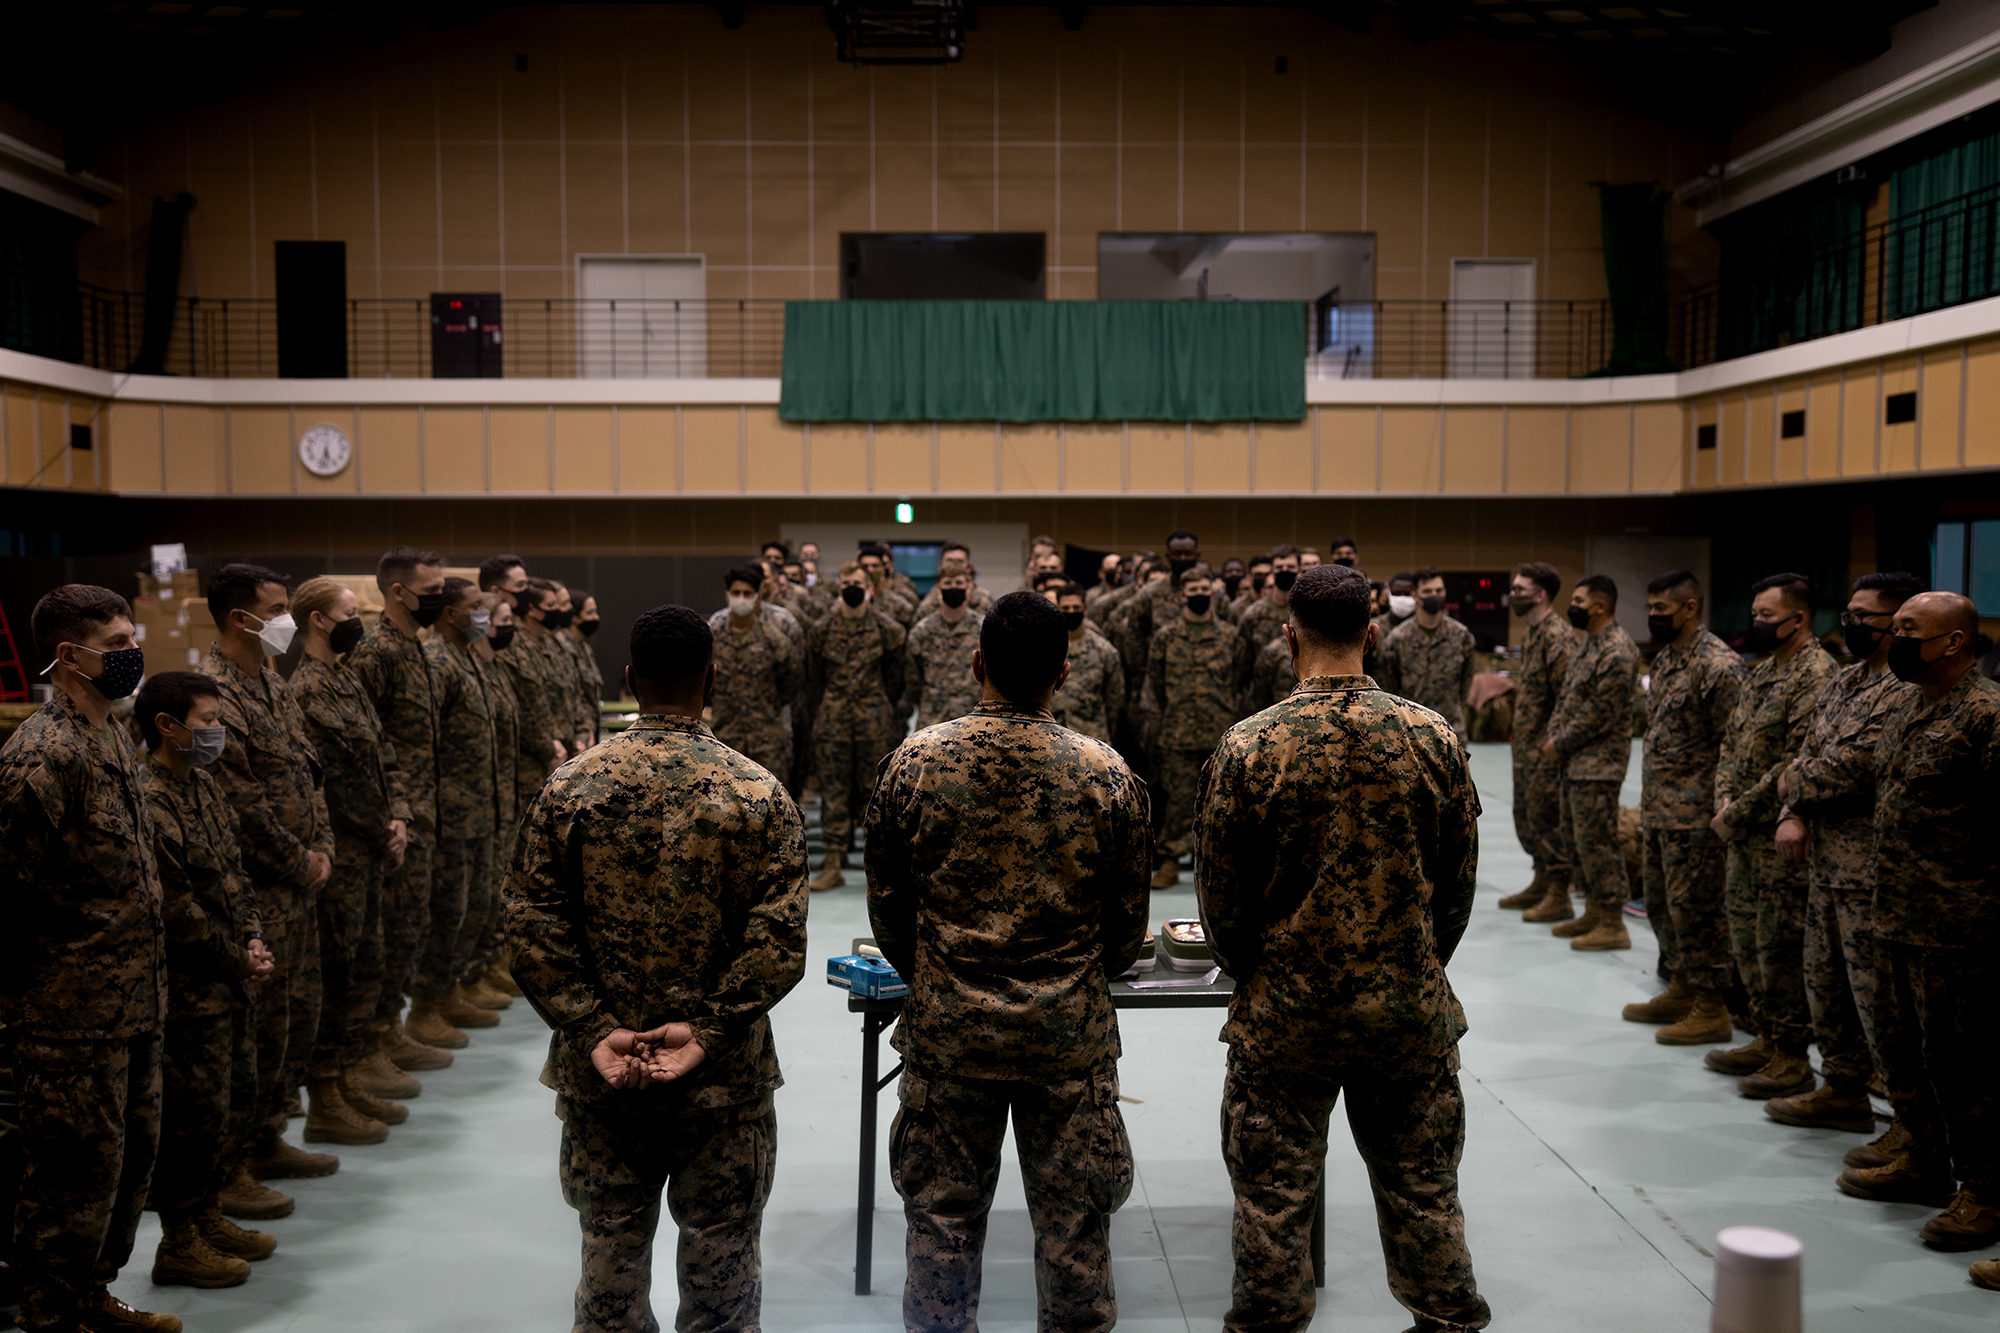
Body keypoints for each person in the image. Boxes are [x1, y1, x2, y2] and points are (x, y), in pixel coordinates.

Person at [1198, 563, 1488, 1333]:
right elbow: (1456, 890)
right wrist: (1411, 961)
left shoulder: (1249, 746)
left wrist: (1260, 971)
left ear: (1288, 635)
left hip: (1285, 1019)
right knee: (1425, 1193)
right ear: (1373, 630)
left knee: (1271, 1202)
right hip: (1406, 1011)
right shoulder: (1433, 737)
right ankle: (1447, 1319)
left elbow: (1221, 907)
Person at [504, 604, 809, 1333]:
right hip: (721, 1080)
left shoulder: (571, 785)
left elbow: (529, 927)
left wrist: (593, 1025)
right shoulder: (758, 792)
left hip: (605, 1078)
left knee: (608, 1262)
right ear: (713, 677)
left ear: (632, 678)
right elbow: (778, 940)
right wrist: (706, 1030)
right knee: (723, 1271)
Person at [866, 591, 1149, 1333]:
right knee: (1076, 1233)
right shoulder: (1107, 774)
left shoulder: (915, 764)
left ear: (975, 660)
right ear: (1063, 671)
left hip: (950, 1035)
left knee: (941, 1229)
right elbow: (1126, 930)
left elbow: (890, 914)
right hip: (1069, 1041)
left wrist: (942, 975)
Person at [0, 585, 177, 1333]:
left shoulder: (111, 734)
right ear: (71, 655)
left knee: (127, 1167)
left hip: (134, 1002)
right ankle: (51, 1310)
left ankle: (90, 1296)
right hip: (67, 1020)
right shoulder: (41, 756)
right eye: (117, 640)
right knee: (72, 1175)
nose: (132, 653)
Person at [1831, 593, 2000, 1264]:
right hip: (1895, 914)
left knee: (1965, 1065)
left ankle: (1984, 1189)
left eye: (1907, 630)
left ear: (1955, 642)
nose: (1892, 639)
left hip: (1960, 927)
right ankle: (1922, 1158)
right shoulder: (1908, 704)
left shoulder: (1986, 716)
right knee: (1901, 1052)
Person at [1765, 572, 1921, 1134]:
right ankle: (1842, 1090)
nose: (1851, 624)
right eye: (1849, 612)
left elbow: (1852, 768)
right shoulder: (1847, 681)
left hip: (1871, 872)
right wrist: (1793, 810)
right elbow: (1809, 752)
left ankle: (1911, 1128)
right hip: (1824, 864)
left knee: (1878, 1005)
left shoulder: (1905, 689)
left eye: (1866, 616)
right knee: (1825, 989)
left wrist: (1794, 786)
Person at [134, 672, 276, 1289]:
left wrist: (251, 935)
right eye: (208, 719)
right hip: (191, 989)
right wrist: (233, 954)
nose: (218, 730)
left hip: (229, 977)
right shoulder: (151, 798)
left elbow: (236, 872)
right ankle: (179, 1240)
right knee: (190, 1117)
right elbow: (176, 905)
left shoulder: (204, 786)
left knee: (228, 1103)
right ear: (168, 726)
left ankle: (208, 1212)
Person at [198, 565, 339, 1184]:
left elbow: (309, 774)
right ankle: (232, 1167)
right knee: (255, 1032)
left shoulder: (272, 683)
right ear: (240, 617)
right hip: (259, 890)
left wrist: (324, 844)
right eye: (278, 607)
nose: (287, 619)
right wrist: (299, 859)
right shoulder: (213, 693)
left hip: (300, 885)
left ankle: (268, 1135)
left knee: (295, 1019)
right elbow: (240, 803)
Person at [288, 577, 416, 1131]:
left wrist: (399, 816)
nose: (356, 618)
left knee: (369, 963)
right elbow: (334, 781)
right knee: (339, 974)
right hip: (343, 850)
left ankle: (350, 1074)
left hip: (372, 845)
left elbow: (382, 752)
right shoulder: (306, 689)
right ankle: (326, 1095)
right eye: (348, 610)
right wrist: (378, 826)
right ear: (319, 619)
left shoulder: (345, 679)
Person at [1706, 573, 1837, 1098]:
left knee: (1779, 947)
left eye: (1765, 616)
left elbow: (1796, 761)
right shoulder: (1762, 674)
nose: (1755, 623)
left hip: (1776, 834)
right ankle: (1766, 1036)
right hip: (1741, 831)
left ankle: (1791, 1055)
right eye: (1754, 614)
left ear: (1798, 619)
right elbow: (1731, 745)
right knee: (1748, 942)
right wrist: (1723, 798)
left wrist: (1738, 813)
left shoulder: (1816, 675)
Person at [1617, 571, 1742, 1042]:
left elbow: (1735, 740)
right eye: (1650, 608)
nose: (1652, 617)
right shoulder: (1668, 659)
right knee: (1664, 907)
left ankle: (1712, 1006)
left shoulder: (1718, 665)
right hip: (1658, 809)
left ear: (1691, 609)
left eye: (1661, 610)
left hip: (1696, 816)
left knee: (1698, 911)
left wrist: (1722, 805)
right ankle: (1684, 987)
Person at [346, 547, 450, 1069]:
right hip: (392, 819)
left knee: (411, 929)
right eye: (431, 592)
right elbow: (362, 743)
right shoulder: (375, 652)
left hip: (423, 813)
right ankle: (373, 1043)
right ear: (397, 592)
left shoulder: (419, 648)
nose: (440, 600)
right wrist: (390, 814)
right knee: (388, 935)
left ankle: (390, 1029)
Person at [413, 578, 504, 1048]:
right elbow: (424, 741)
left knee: (472, 905)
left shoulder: (469, 656)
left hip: (478, 805)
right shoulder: (437, 660)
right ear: (451, 613)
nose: (482, 616)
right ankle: (427, 1004)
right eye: (474, 608)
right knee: (447, 911)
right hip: (450, 810)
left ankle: (453, 987)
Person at [1539, 575, 1642, 950]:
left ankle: (1613, 922)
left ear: (1600, 606)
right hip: (1575, 762)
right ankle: (1595, 913)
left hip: (1599, 765)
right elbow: (1567, 701)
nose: (1574, 605)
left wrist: (1559, 743)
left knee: (1599, 842)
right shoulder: (1589, 645)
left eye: (1580, 600)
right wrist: (1555, 737)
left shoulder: (1617, 650)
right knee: (1578, 840)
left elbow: (1601, 712)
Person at [804, 561, 907, 890]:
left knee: (873, 795)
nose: (851, 587)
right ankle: (832, 864)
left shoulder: (888, 629)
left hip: (874, 723)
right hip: (833, 722)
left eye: (858, 582)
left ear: (870, 588)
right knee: (833, 795)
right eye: (846, 581)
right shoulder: (821, 630)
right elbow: (815, 680)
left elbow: (895, 679)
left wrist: (877, 703)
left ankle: (876, 867)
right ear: (838, 586)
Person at [1146, 563, 1239, 888]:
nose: (1199, 595)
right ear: (1182, 595)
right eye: (1193, 591)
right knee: (1178, 800)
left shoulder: (1230, 636)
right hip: (1178, 732)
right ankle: (1170, 862)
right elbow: (1155, 686)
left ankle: (1218, 866)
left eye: (1204, 590)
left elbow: (1239, 681)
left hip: (1219, 733)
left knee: (1221, 802)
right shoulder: (1166, 637)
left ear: (1212, 592)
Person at [1499, 563, 1581, 919]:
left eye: (1520, 589)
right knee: (1527, 818)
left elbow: (1569, 696)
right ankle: (1542, 880)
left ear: (1540, 594)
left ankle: (1560, 893)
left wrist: (1555, 744)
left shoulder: (1557, 636)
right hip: (1526, 748)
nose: (1513, 594)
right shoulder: (1533, 633)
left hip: (1546, 749)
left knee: (1547, 820)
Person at [467, 589, 526, 1005]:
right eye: (499, 617)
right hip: (467, 803)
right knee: (468, 898)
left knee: (493, 888)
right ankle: (463, 981)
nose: (507, 626)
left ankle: (486, 965)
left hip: (498, 794)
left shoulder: (495, 667)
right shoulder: (465, 665)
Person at [707, 562, 806, 785]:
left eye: (747, 593)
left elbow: (793, 677)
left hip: (767, 736)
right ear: (727, 595)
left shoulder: (774, 636)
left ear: (758, 595)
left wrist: (771, 704)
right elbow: (704, 680)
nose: (741, 598)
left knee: (772, 801)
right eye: (736, 593)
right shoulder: (713, 632)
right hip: (727, 735)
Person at [1376, 566, 1477, 739]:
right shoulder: (1397, 639)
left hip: (1451, 731)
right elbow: (1389, 689)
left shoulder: (1462, 636)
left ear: (1445, 592)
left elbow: (1465, 684)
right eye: (1427, 591)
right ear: (1415, 595)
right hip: (1411, 733)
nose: (1434, 595)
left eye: (1439, 590)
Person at [904, 557, 985, 730]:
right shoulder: (922, 632)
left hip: (973, 720)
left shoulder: (983, 630)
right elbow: (912, 680)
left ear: (969, 588)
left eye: (959, 583)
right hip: (933, 720)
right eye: (948, 583)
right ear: (938, 589)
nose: (953, 587)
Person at [1049, 581, 1124, 743]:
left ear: (1085, 609)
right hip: (1051, 737)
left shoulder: (1104, 650)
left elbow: (1114, 699)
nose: (1071, 612)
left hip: (1091, 738)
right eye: (1066, 608)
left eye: (1076, 608)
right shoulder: (1044, 648)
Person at [1232, 545, 1300, 703]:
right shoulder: (1254, 614)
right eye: (1279, 567)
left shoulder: (1309, 611)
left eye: (1290, 567)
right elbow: (1243, 663)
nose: (1285, 570)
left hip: (1302, 699)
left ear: (1298, 570)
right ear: (1272, 570)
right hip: (1262, 701)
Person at [564, 587, 605, 749]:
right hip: (576, 735)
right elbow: (575, 697)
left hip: (590, 731)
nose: (596, 618)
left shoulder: (584, 648)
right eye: (589, 613)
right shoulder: (564, 649)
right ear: (574, 618)